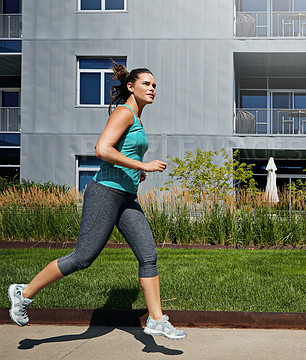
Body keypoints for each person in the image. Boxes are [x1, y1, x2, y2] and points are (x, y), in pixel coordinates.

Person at [8, 61, 186, 340]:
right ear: (131, 86)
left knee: (148, 255)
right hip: (105, 193)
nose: (152, 89)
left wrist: (133, 171)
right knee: (82, 257)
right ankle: (24, 292)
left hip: (126, 196)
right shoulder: (125, 113)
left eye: (154, 86)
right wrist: (143, 166)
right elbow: (102, 149)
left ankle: (155, 320)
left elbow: (122, 151)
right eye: (146, 84)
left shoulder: (137, 117)